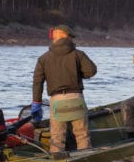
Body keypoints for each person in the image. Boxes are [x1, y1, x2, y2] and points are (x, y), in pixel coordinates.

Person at [31, 24, 97, 154]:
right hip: (76, 99)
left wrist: (36, 103)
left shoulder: (43, 58)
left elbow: (37, 82)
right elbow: (91, 71)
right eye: (71, 37)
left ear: (55, 37)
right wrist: (78, 74)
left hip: (57, 102)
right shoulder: (78, 54)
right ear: (66, 37)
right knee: (82, 135)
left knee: (56, 139)